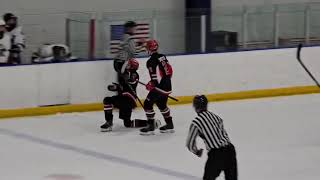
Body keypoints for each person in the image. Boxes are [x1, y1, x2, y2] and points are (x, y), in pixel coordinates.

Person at [186, 95, 238, 180]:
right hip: (230, 150)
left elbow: (190, 144)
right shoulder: (216, 117)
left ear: (195, 107)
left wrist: (196, 151)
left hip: (216, 155)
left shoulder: (196, 122)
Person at [101, 58, 160, 132]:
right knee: (127, 123)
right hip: (123, 99)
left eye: (129, 64)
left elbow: (132, 80)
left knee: (108, 101)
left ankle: (109, 123)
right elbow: (123, 87)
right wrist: (116, 87)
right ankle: (151, 123)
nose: (127, 65)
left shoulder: (134, 74)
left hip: (129, 100)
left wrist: (129, 79)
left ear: (132, 67)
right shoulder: (125, 74)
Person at [140, 40, 174, 135]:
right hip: (168, 85)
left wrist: (151, 84)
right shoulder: (163, 57)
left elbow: (155, 78)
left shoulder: (150, 61)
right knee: (161, 104)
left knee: (147, 103)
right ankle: (169, 124)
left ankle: (151, 126)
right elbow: (169, 71)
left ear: (149, 49)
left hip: (160, 86)